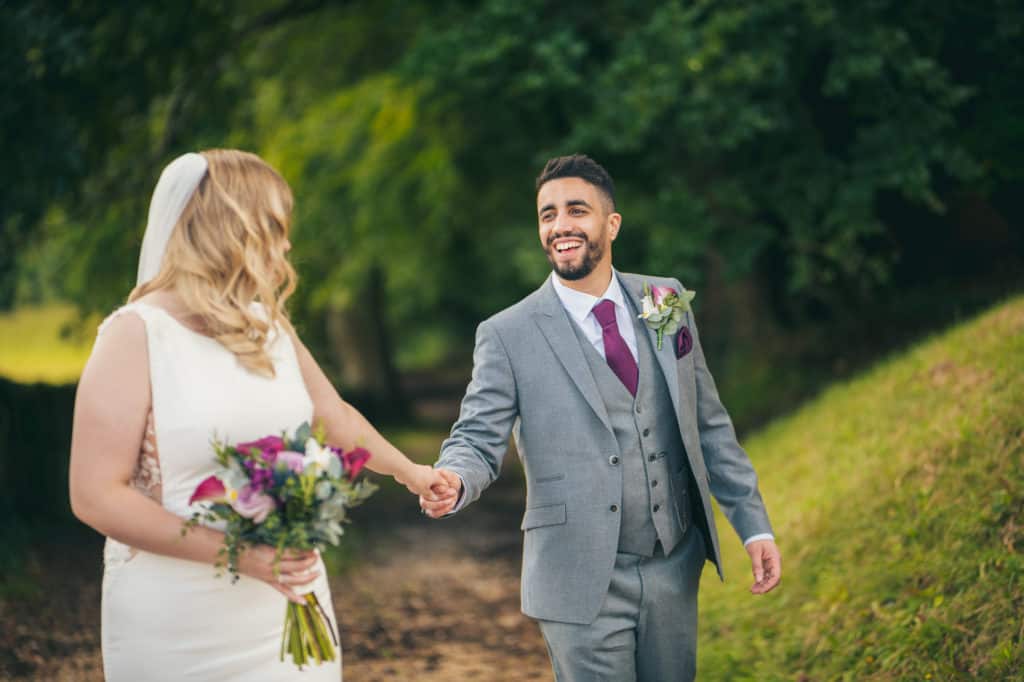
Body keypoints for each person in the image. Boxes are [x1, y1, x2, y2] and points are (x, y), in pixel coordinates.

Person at [69, 149, 456, 681]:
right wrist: (241, 556)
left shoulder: (267, 326)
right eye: (276, 225)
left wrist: (411, 472)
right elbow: (95, 495)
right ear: (228, 228)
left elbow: (333, 417)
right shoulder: (135, 335)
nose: (288, 243)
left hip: (288, 608)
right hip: (178, 622)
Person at [420, 154, 782, 681]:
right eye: (547, 215)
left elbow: (707, 425)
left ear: (610, 223)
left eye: (576, 210)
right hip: (576, 577)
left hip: (673, 565)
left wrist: (753, 527)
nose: (560, 226)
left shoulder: (666, 300)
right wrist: (455, 478)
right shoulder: (507, 333)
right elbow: (476, 436)